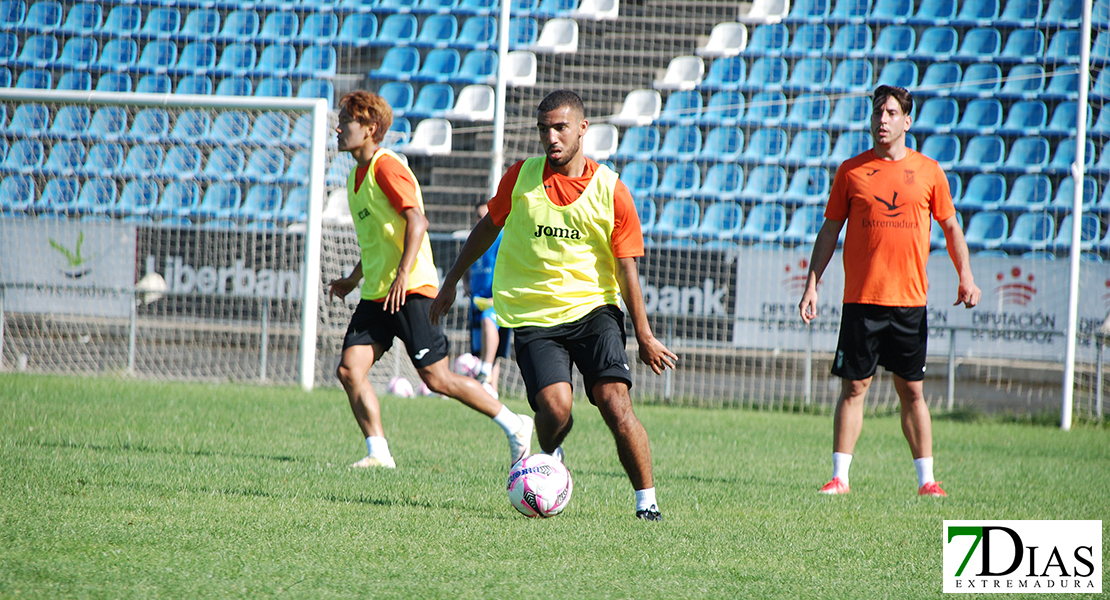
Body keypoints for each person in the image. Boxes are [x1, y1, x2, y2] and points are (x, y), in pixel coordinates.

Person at [430, 90, 677, 521]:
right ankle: (550, 457)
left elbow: (626, 270)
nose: (551, 137)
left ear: (583, 128)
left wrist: (645, 335)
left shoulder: (611, 190)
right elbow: (487, 227)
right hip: (534, 315)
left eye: (560, 127)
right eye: (544, 129)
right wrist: (451, 279)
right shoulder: (520, 177)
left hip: (595, 310)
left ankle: (647, 503)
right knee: (556, 407)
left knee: (614, 401)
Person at [327, 91, 533, 470]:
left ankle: (516, 425)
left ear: (371, 129)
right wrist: (353, 279)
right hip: (378, 293)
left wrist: (404, 273)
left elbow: (418, 221)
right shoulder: (357, 175)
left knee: (438, 379)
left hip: (411, 290)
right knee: (348, 370)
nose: (338, 128)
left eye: (347, 121)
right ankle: (379, 453)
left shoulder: (386, 167)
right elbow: (379, 242)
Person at [797, 85, 981, 498]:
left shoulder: (930, 171)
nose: (883, 119)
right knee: (854, 387)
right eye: (878, 111)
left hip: (909, 302)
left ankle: (926, 481)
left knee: (911, 390)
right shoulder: (851, 171)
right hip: (861, 300)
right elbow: (830, 230)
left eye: (892, 113)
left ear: (907, 121)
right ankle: (839, 478)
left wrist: (965, 275)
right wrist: (812, 284)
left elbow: (951, 228)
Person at [463, 200, 512, 398]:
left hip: (496, 300)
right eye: (478, 215)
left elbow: (512, 265)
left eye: (486, 215)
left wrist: (503, 293)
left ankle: (484, 371)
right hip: (476, 300)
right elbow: (465, 261)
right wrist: (466, 283)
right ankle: (491, 394)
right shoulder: (473, 239)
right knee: (484, 350)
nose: (482, 219)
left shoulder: (501, 238)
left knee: (487, 322)